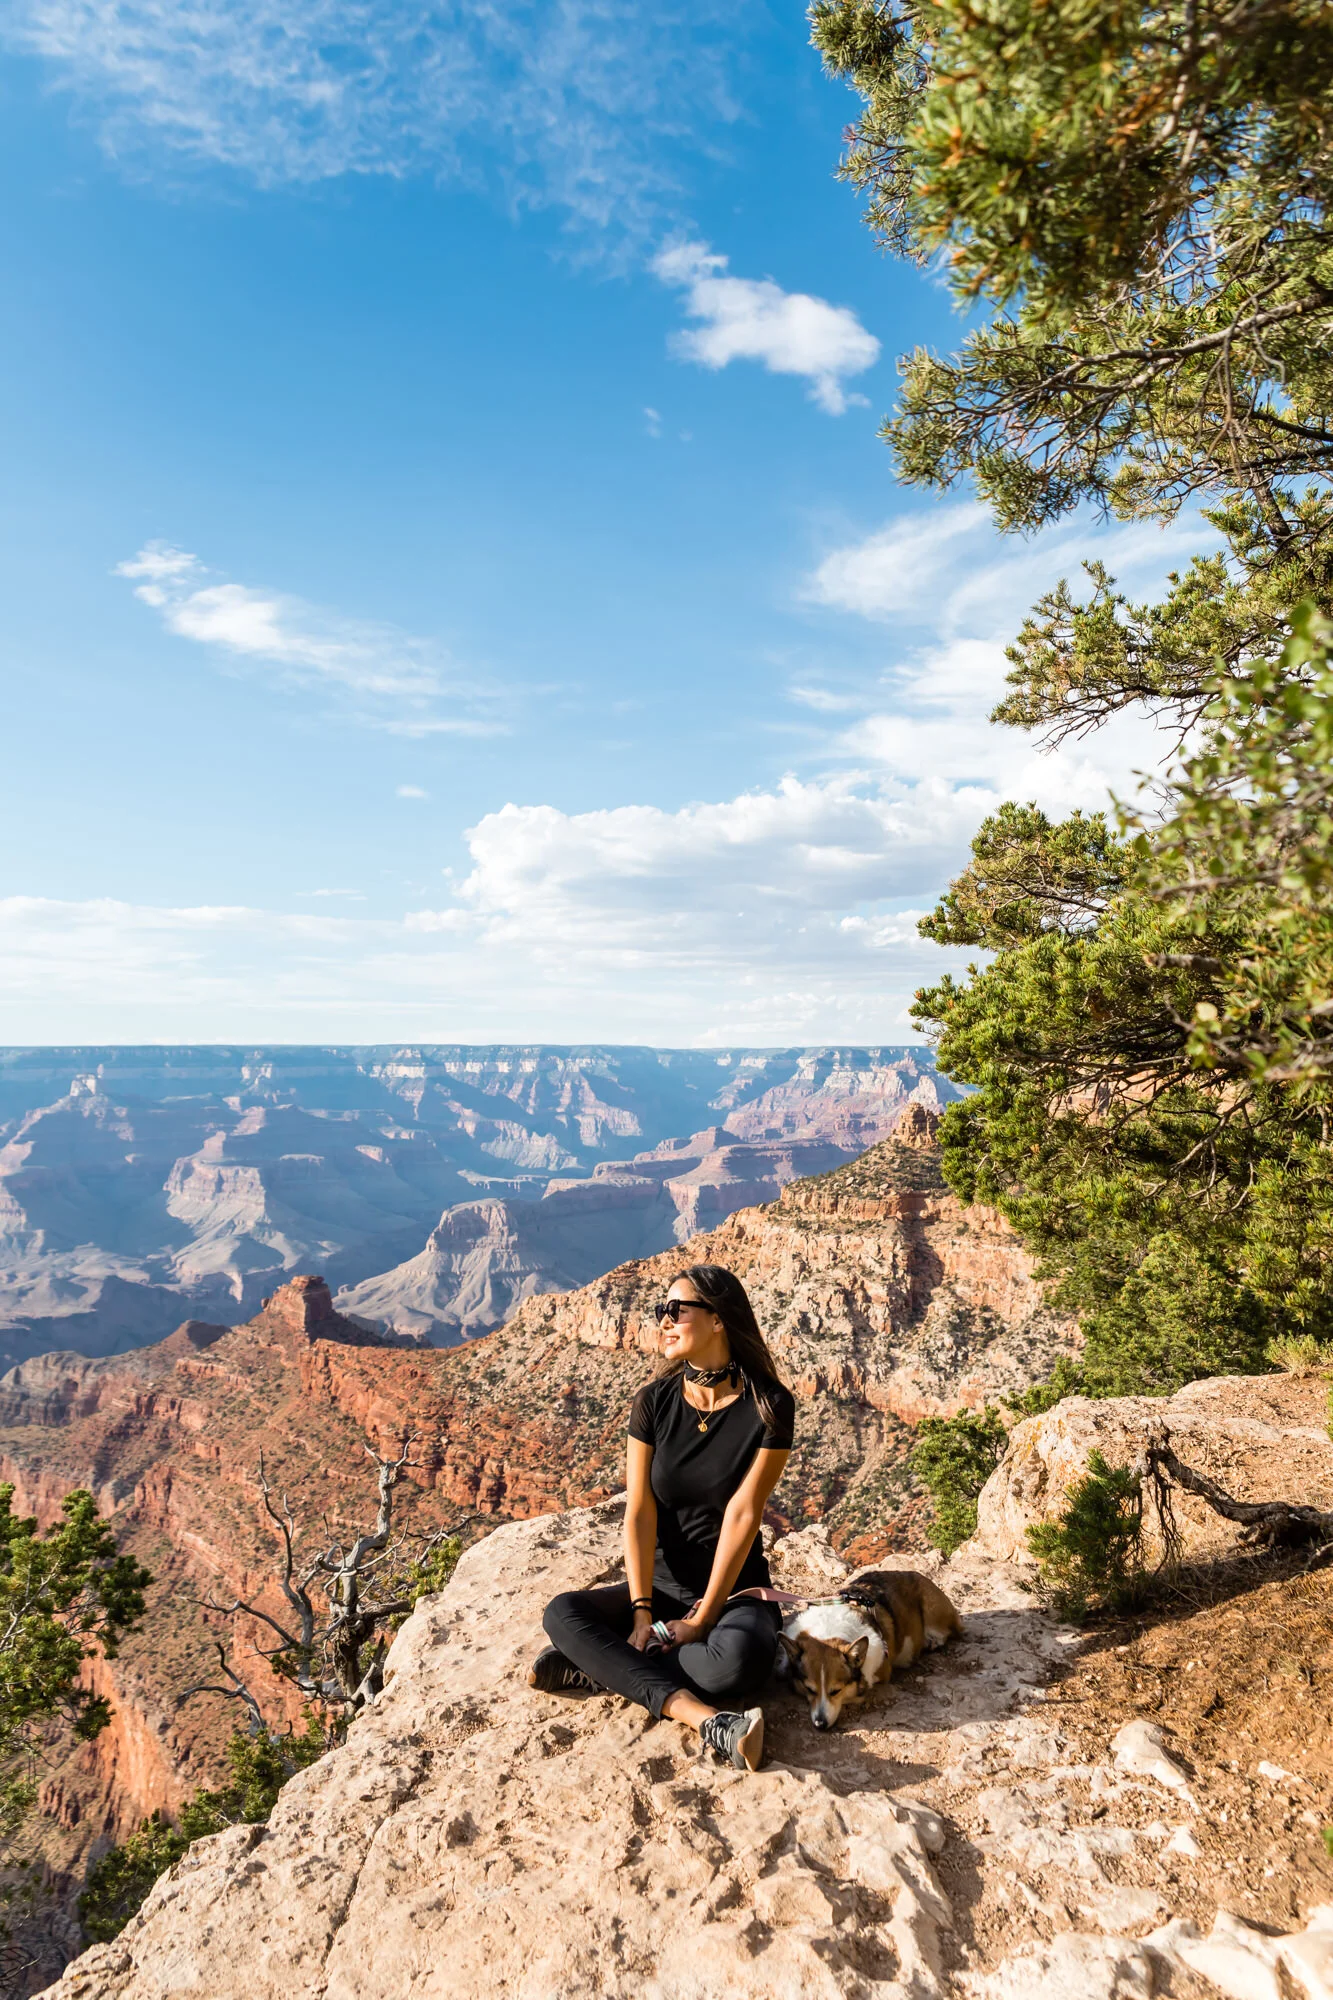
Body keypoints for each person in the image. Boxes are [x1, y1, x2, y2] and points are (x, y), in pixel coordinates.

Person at [530, 1262, 794, 1772]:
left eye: (676, 1310)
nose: (664, 1321)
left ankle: (605, 1668)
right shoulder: (653, 1401)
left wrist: (702, 1618)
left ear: (718, 1318)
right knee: (561, 1613)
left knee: (735, 1664)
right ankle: (707, 1720)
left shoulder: (769, 1406)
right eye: (660, 1311)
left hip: (735, 1591)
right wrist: (642, 1612)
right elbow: (639, 1510)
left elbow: (743, 1514)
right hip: (663, 1587)